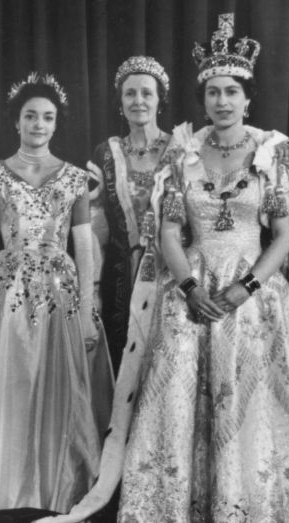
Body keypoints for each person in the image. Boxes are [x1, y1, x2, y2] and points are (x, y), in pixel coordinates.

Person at [40, 14, 289, 523]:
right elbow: (165, 228)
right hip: (191, 287)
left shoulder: (272, 153)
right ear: (202, 99)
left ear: (247, 99)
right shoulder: (181, 154)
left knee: (259, 410)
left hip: (256, 295)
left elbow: (283, 234)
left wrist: (247, 287)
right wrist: (188, 284)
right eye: (212, 92)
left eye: (231, 91)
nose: (222, 101)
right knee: (181, 406)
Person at [0, 72, 108, 512]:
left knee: (59, 391)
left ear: (56, 124)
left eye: (47, 117)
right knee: (12, 387)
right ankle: (7, 495)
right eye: (31, 116)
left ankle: (56, 492)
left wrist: (87, 310)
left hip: (60, 293)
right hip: (8, 290)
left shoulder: (72, 178)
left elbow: (85, 246)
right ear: (17, 121)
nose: (38, 124)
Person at [88, 56, 174, 370]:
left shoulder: (183, 149)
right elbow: (97, 228)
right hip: (121, 277)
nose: (138, 101)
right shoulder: (106, 152)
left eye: (146, 93)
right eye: (130, 93)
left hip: (172, 273)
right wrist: (93, 288)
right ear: (120, 101)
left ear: (159, 100)